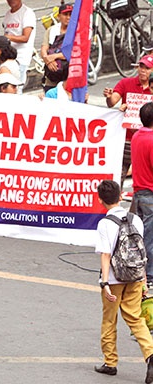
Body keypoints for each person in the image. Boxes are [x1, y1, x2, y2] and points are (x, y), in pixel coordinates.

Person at [93, 179, 153, 382]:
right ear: (121, 196)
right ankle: (150, 355)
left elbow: (105, 255)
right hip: (135, 276)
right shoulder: (135, 219)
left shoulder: (105, 224)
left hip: (114, 279)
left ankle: (110, 362)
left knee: (109, 320)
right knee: (135, 318)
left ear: (100, 200)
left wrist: (104, 282)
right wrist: (143, 278)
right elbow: (141, 250)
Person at [103, 55, 153, 188]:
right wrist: (109, 97)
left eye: (147, 68)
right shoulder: (126, 83)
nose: (142, 70)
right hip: (125, 140)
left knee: (145, 181)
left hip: (146, 142)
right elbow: (112, 102)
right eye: (141, 67)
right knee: (118, 177)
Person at [131, 102, 153, 286]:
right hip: (150, 193)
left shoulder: (137, 136)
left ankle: (139, 270)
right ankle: (150, 275)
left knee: (140, 235)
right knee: (149, 237)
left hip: (138, 192)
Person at [0, 0, 36, 92]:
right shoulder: (7, 14)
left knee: (17, 87)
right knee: (7, 87)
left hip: (21, 57)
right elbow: (6, 34)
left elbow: (25, 38)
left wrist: (7, 37)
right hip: (8, 58)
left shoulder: (27, 13)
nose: (11, 1)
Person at [40, 3, 71, 93]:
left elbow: (74, 52)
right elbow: (44, 48)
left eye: (70, 15)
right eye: (65, 14)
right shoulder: (51, 30)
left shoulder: (76, 31)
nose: (68, 17)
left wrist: (53, 57)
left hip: (69, 73)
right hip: (53, 72)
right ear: (58, 16)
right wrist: (48, 60)